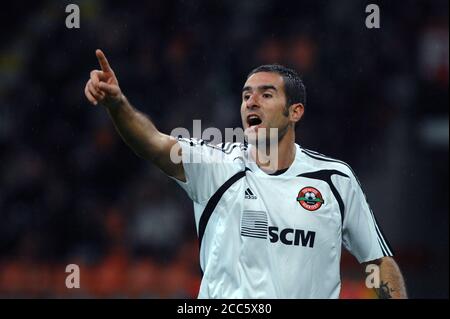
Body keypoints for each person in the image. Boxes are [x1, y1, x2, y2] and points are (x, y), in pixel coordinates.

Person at [84, 49, 407, 299]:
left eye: (266, 94)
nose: (252, 101)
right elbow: (153, 143)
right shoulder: (215, 166)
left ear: (295, 111)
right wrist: (118, 104)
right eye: (246, 95)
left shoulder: (334, 179)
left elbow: (377, 262)